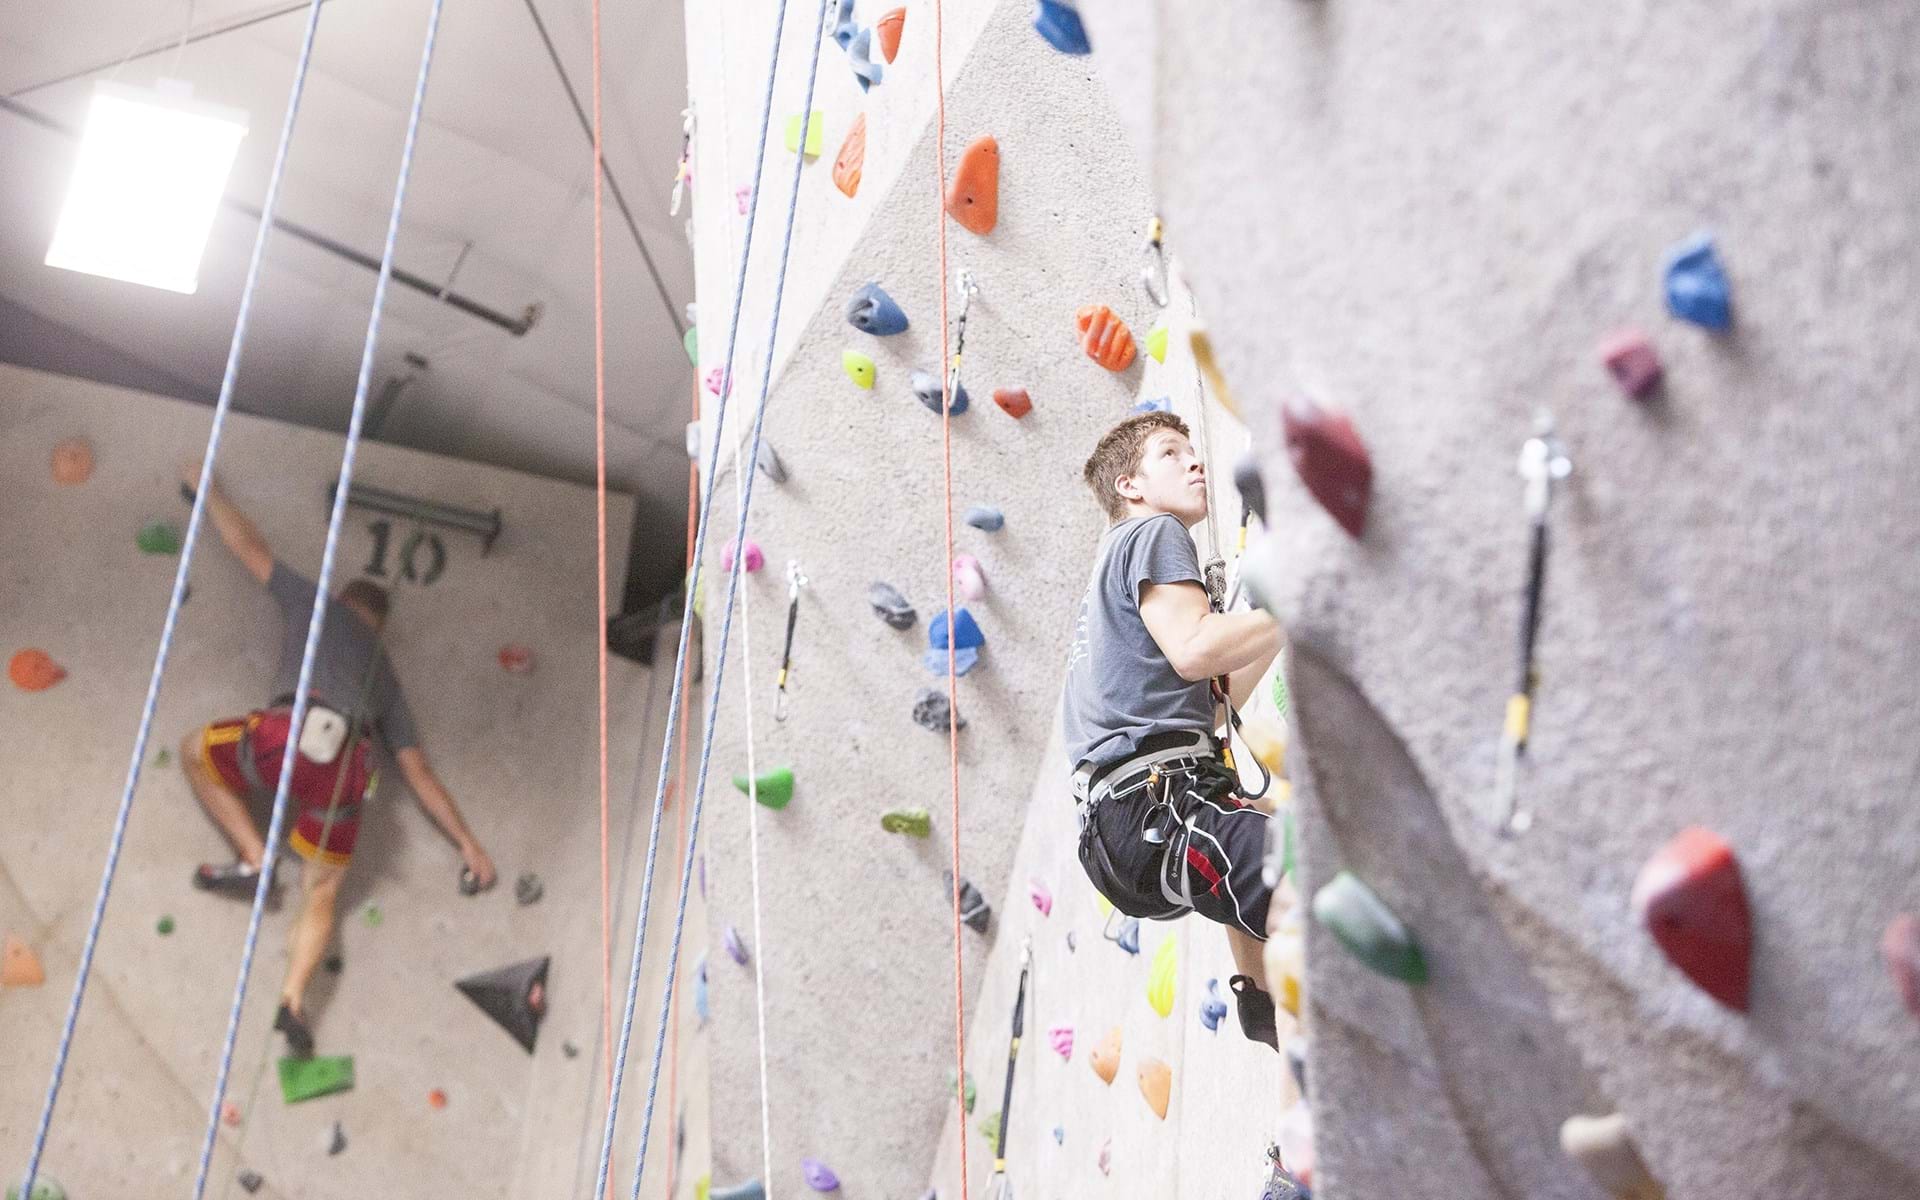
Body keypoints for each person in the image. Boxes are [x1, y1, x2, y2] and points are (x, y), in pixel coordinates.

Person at [177, 463, 496, 1056]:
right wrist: (468, 845)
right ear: (382, 627)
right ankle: (294, 999)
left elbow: (250, 548)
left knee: (194, 751)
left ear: (344, 600)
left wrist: (209, 492)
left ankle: (253, 857)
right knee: (322, 892)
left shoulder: (316, 604)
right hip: (349, 774)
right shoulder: (387, 678)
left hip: (292, 735)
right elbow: (418, 774)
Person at [1061, 412, 1285, 1049]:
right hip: (1158, 804)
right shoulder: (1150, 532)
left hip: (1128, 828)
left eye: (1192, 450)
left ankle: (1263, 1001)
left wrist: (1278, 623)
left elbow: (1213, 700)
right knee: (1315, 876)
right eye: (1170, 453)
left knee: (1254, 832)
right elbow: (1194, 649)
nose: (1195, 461)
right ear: (1130, 486)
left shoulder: (1110, 581)